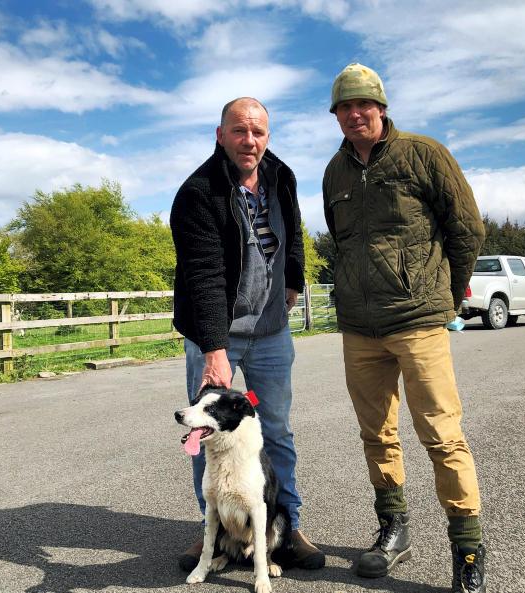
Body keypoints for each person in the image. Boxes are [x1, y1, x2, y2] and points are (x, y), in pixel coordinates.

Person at [322, 63, 488, 593]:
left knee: (442, 435)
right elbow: (343, 244)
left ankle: (467, 550)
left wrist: (445, 292)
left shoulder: (424, 154)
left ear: (382, 107)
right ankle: (394, 528)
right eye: (344, 108)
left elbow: (466, 228)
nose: (353, 114)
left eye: (362, 105)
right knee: (377, 435)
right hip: (359, 328)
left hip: (418, 321)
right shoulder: (335, 172)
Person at [170, 97, 325, 572]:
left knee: (275, 429)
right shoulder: (199, 192)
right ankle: (211, 533)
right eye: (239, 131)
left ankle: (286, 526)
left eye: (258, 132)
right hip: (216, 333)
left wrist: (294, 281)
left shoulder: (282, 177)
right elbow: (204, 275)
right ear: (221, 135)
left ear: (268, 136)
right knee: (207, 429)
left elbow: (293, 232)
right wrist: (215, 350)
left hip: (271, 332)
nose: (249, 140)